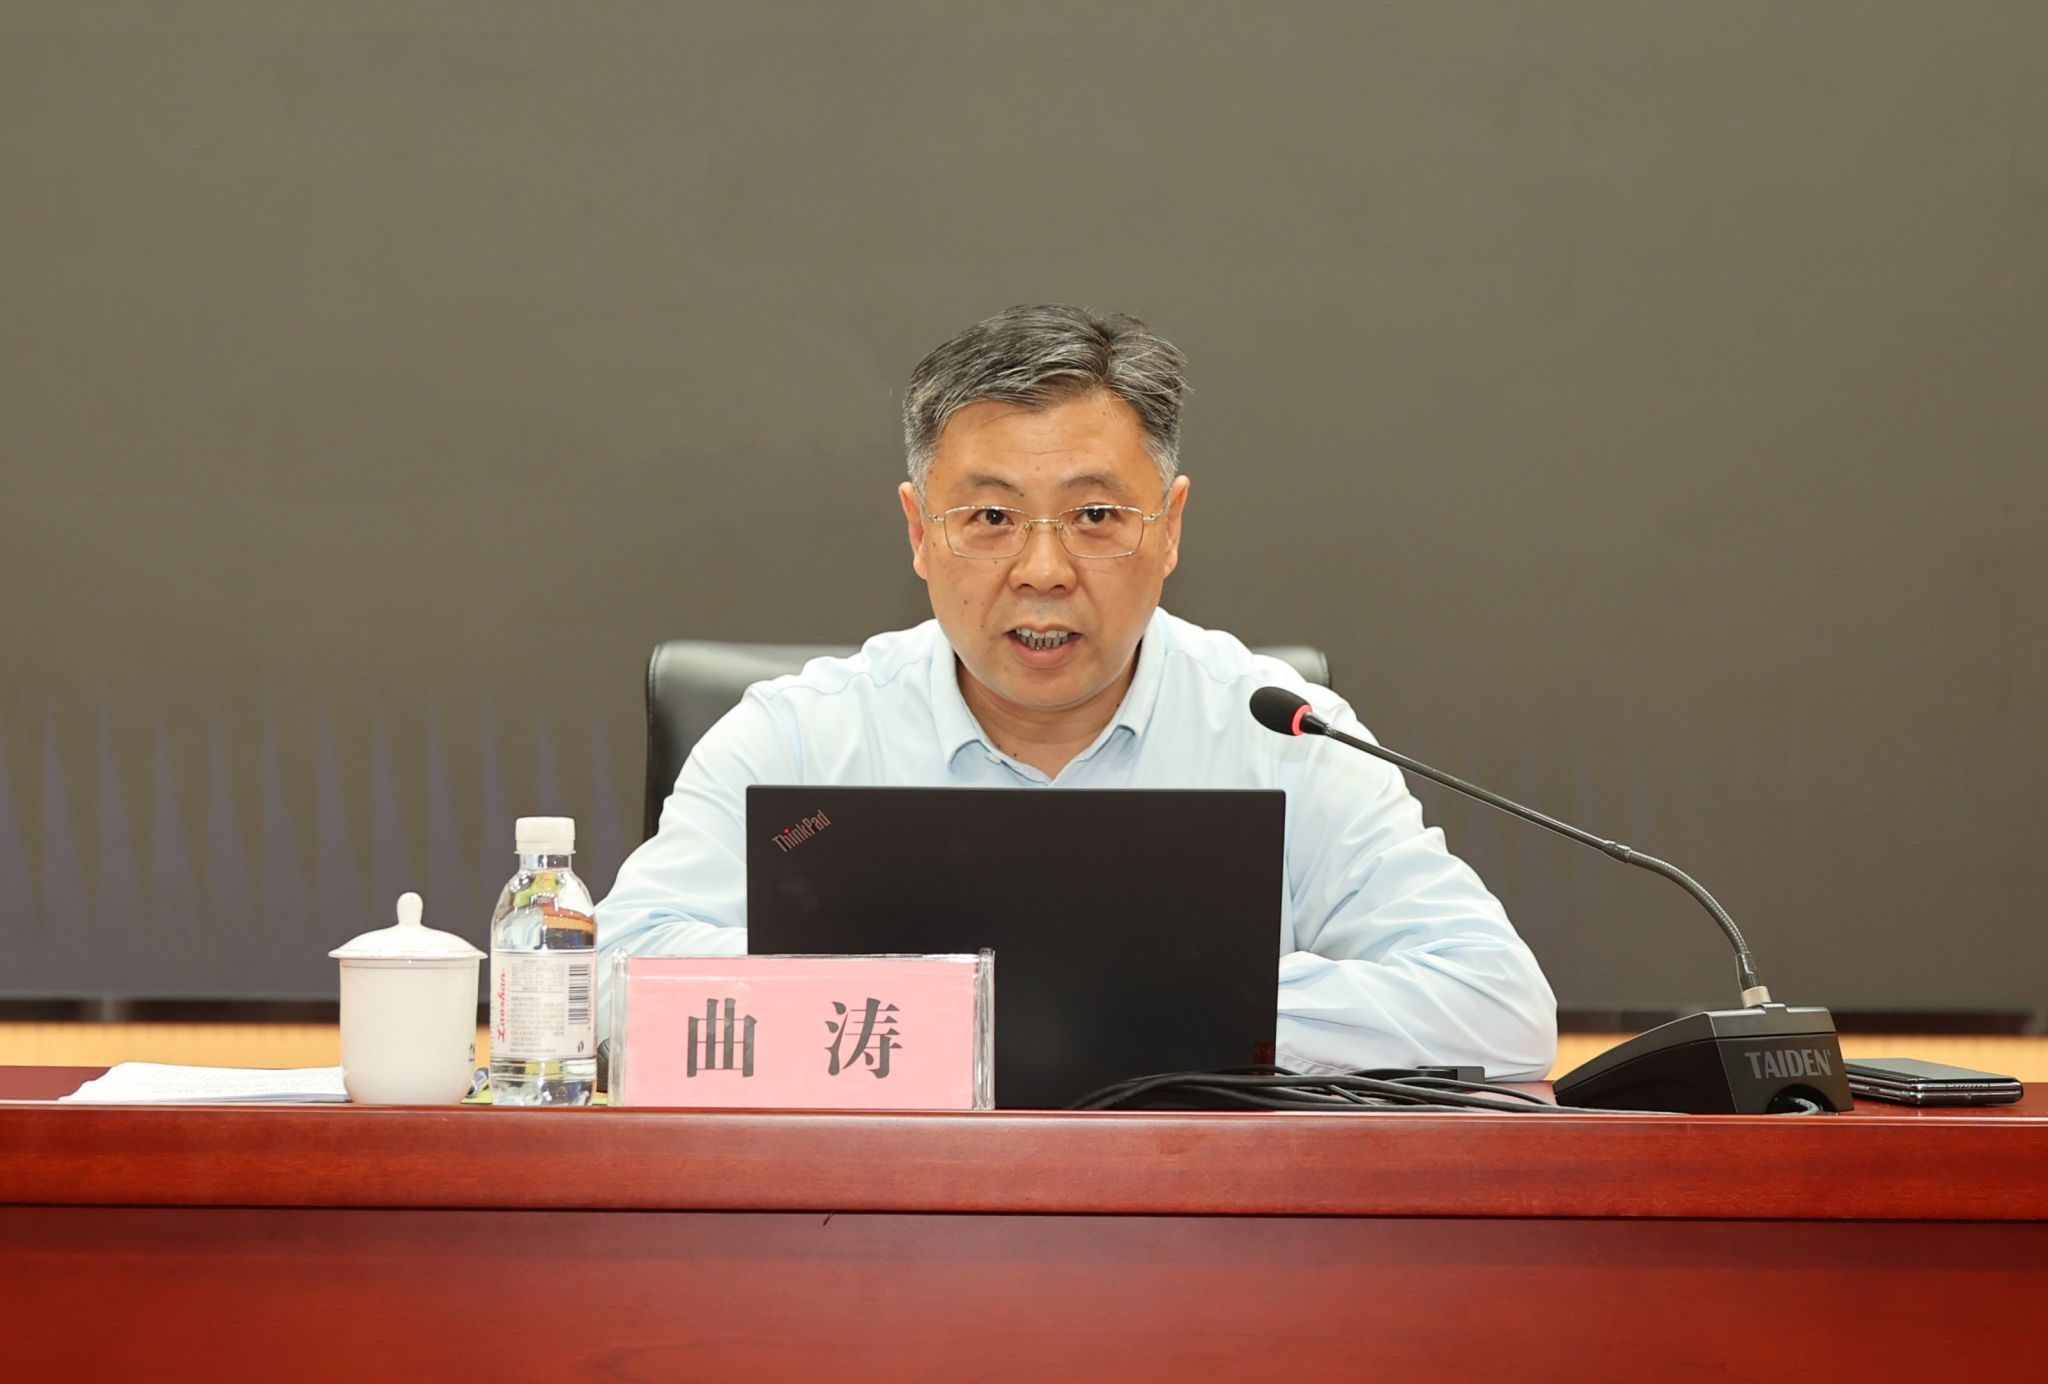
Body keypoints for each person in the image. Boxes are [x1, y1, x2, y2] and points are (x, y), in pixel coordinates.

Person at [598, 304, 1557, 1078]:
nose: (1044, 570)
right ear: (920, 533)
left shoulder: (1281, 735)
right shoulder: (799, 737)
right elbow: (605, 983)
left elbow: (1499, 1008)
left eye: (1096, 514)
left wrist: (1163, 1003)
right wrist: (965, 1002)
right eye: (990, 517)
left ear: (1170, 527)